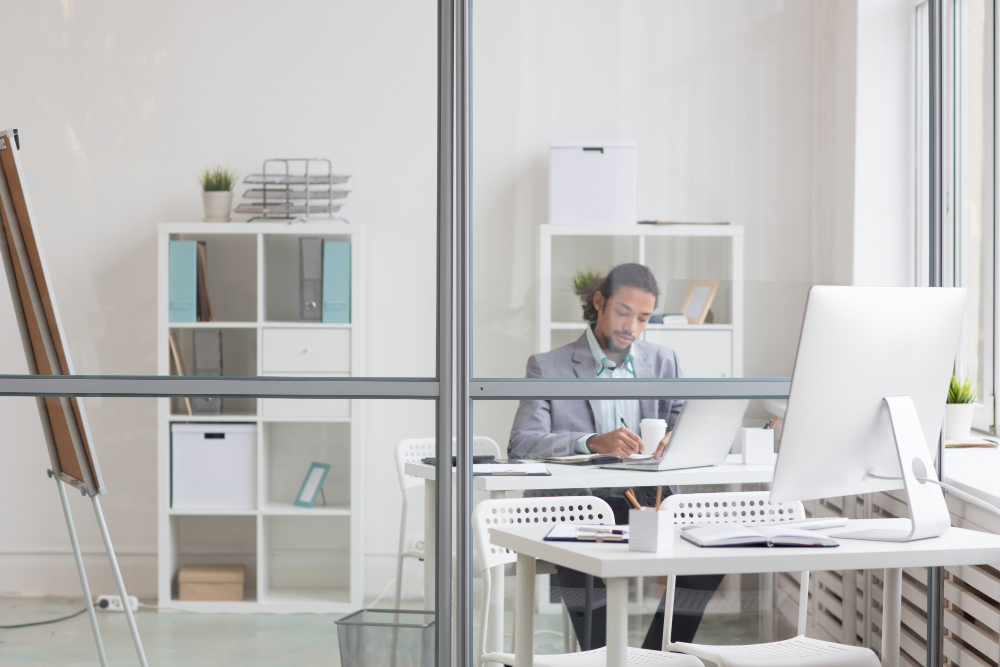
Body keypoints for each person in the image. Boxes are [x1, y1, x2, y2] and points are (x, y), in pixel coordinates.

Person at [508, 262, 723, 650]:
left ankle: (654, 657)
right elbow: (523, 441)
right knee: (582, 569)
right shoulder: (548, 366)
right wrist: (592, 441)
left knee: (706, 560)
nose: (632, 328)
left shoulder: (663, 361)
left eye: (643, 318)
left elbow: (679, 420)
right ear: (599, 303)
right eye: (623, 313)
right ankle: (604, 657)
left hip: (648, 501)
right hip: (578, 505)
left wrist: (674, 437)